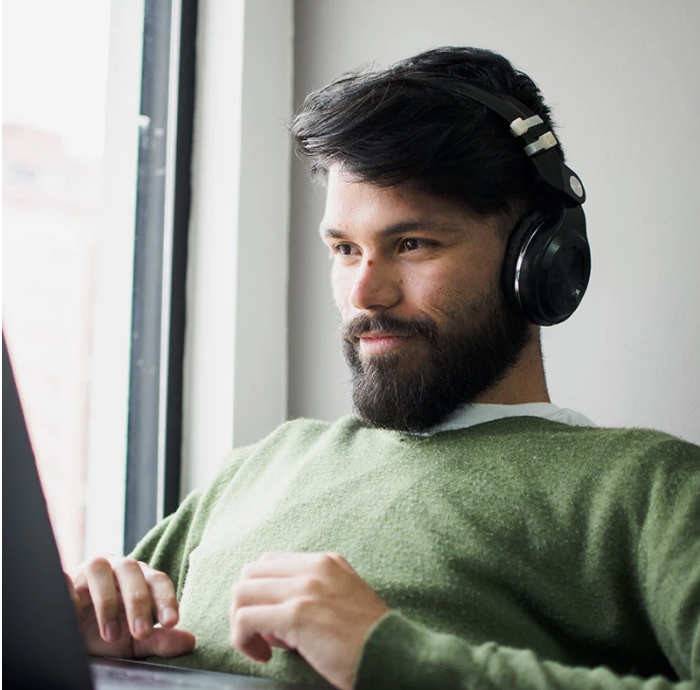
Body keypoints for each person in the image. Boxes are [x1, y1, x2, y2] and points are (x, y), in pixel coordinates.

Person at [67, 47, 699, 689]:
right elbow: (118, 622)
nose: (365, 294)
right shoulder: (260, 466)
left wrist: (390, 656)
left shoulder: (650, 489)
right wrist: (86, 642)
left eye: (411, 244)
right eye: (345, 249)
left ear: (538, 258)